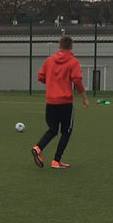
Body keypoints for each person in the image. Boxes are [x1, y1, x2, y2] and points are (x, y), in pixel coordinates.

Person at [31, 35, 88, 170]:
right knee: (66, 131)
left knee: (52, 129)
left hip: (50, 101)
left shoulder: (49, 60)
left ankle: (38, 147)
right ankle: (56, 160)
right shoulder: (73, 61)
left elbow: (40, 77)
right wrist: (84, 97)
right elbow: (77, 79)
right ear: (71, 46)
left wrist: (52, 83)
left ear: (59, 45)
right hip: (65, 102)